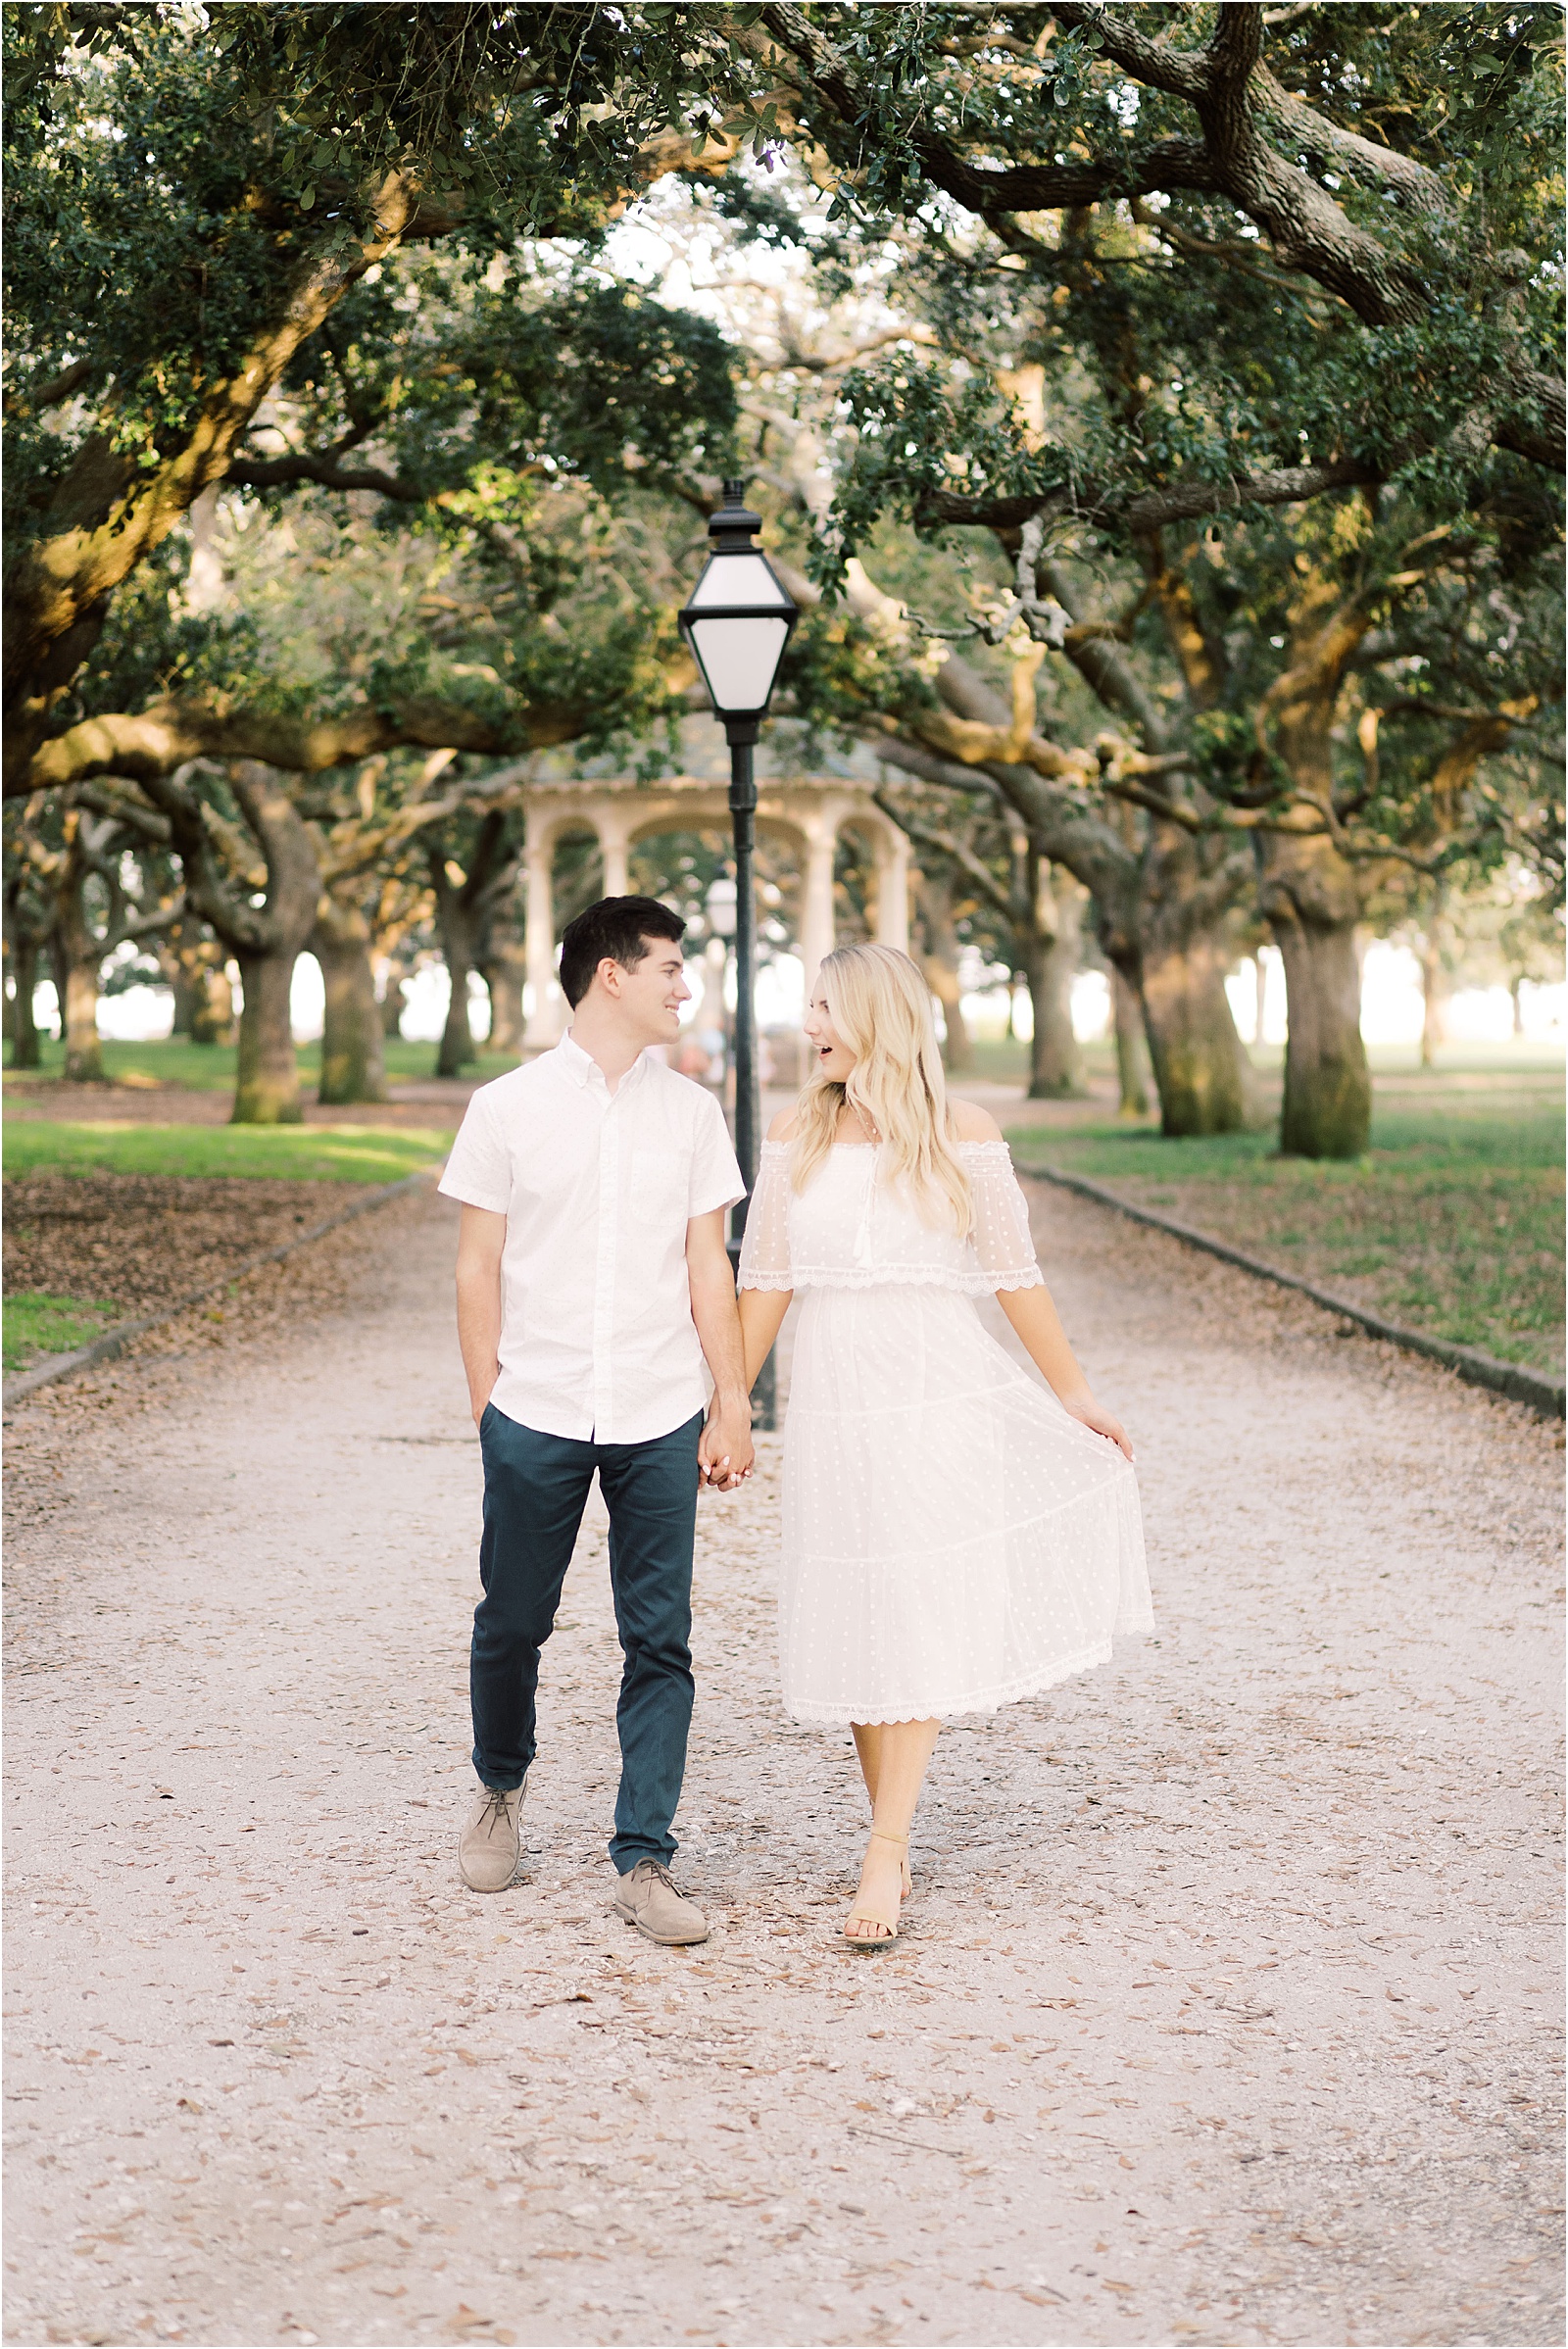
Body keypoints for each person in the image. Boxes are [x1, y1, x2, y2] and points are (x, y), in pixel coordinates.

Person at [735, 943, 1152, 1946]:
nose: (810, 1026)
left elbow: (1016, 1277)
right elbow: (765, 1285)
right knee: (856, 1607)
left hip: (938, 1402)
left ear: (876, 1015)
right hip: (834, 1412)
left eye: (826, 1007)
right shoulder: (795, 1134)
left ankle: (884, 1851)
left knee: (915, 1605)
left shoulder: (965, 1134)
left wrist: (1075, 1395)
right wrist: (723, 1407)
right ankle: (892, 1829)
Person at [439, 896, 755, 1946]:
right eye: (668, 967)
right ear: (609, 975)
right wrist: (489, 1408)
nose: (684, 987)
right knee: (512, 1622)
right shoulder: (507, 1107)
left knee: (659, 1638)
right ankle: (498, 1788)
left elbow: (711, 1264)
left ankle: (644, 1856)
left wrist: (732, 1399)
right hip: (534, 1406)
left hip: (661, 1412)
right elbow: (477, 1266)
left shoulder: (691, 1114)